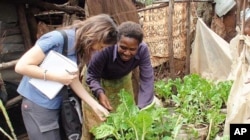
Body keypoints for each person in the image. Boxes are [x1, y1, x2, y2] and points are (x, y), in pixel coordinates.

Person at [14, 14, 118, 140]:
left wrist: (95, 105)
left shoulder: (77, 47)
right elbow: (21, 66)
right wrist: (57, 77)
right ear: (94, 35)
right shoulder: (57, 39)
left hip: (56, 103)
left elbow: (71, 79)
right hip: (38, 104)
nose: (99, 50)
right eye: (101, 46)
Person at [82, 21, 156, 139]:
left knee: (126, 120)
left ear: (139, 46)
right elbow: (92, 75)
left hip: (122, 80)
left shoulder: (143, 50)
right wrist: (99, 93)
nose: (127, 53)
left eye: (132, 49)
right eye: (123, 47)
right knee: (97, 125)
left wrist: (143, 108)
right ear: (117, 42)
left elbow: (147, 79)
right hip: (96, 80)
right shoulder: (105, 48)